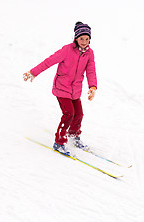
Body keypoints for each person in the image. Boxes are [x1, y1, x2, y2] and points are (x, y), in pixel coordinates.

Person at [23, 22, 97, 156]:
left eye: (87, 39)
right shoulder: (66, 50)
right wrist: (33, 72)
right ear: (76, 38)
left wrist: (92, 87)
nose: (84, 42)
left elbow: (91, 71)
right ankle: (59, 142)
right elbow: (49, 61)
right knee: (69, 113)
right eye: (82, 39)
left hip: (75, 90)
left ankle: (74, 136)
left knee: (78, 114)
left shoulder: (90, 54)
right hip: (62, 88)